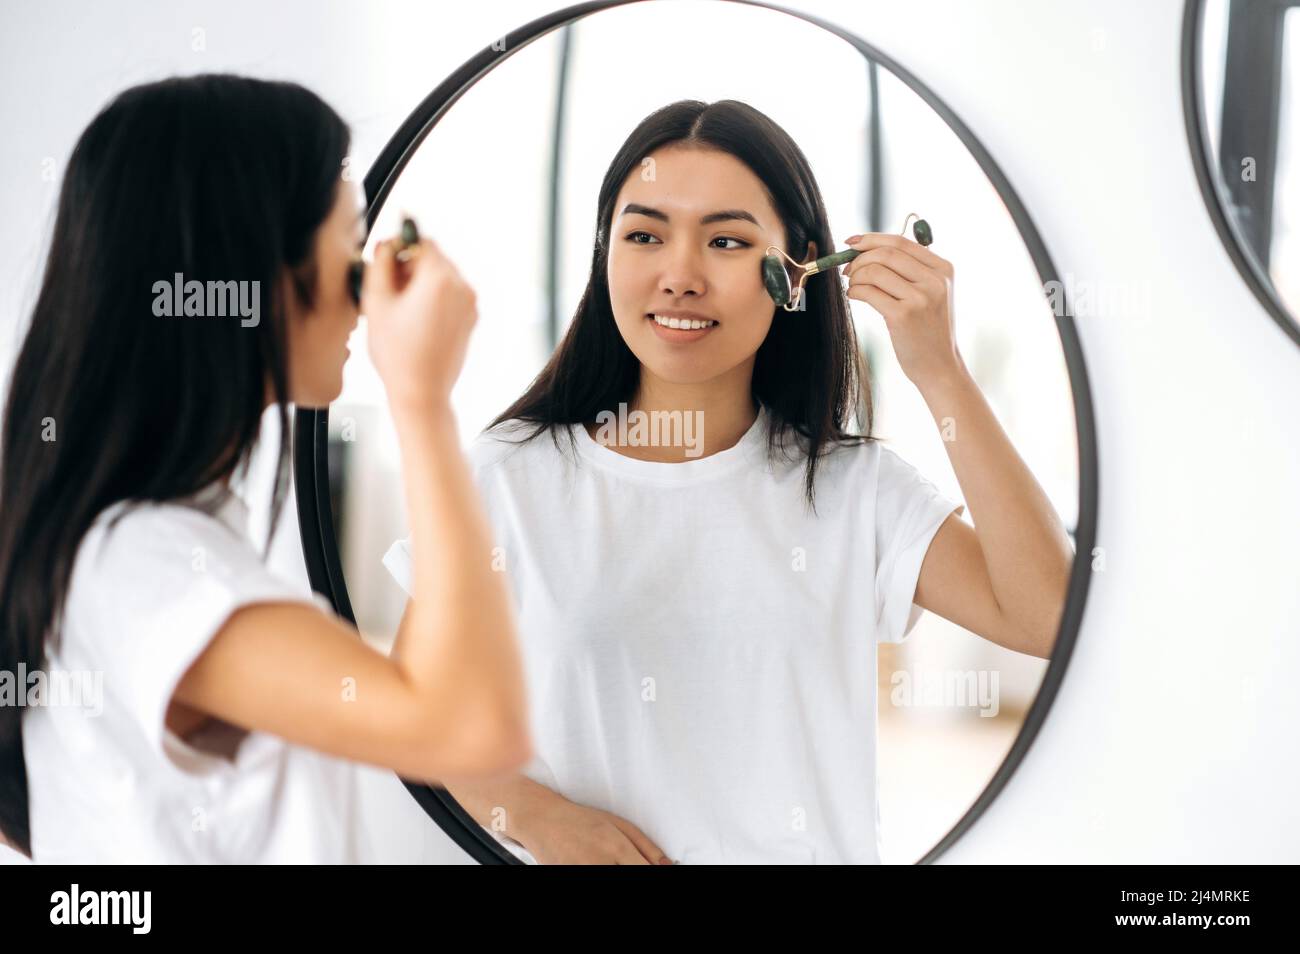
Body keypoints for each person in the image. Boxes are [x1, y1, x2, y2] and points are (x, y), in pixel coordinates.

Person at [383, 99, 1075, 865]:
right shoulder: (510, 475)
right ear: (604, 253)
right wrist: (537, 815)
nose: (679, 276)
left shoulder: (852, 488)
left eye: (726, 241)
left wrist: (938, 369)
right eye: (644, 235)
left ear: (797, 270)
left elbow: (1049, 617)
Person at [0, 74, 531, 863]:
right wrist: (422, 398)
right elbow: (472, 728)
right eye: (351, 252)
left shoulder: (154, 545)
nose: (363, 297)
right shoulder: (140, 566)